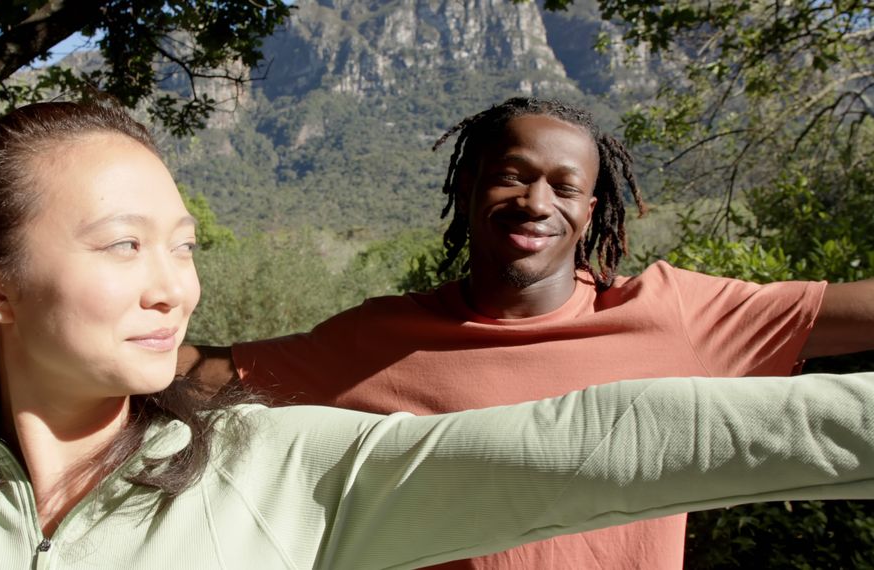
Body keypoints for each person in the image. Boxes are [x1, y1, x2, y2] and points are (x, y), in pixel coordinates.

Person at [0, 101, 874, 570]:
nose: (176, 285)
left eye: (184, 247)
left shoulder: (286, 474)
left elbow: (611, 439)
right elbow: (234, 367)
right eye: (127, 246)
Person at [181, 97, 874, 569]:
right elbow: (196, 374)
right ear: (469, 186)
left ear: (590, 207)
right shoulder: (377, 338)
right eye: (511, 177)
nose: (536, 203)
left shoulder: (677, 315)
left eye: (563, 187)